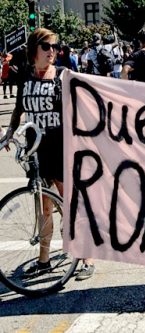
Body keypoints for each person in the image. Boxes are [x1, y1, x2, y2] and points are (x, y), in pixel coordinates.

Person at [0, 28, 95, 280]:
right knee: (43, 208)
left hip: (60, 148)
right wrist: (9, 133)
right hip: (36, 151)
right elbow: (20, 108)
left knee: (69, 206)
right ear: (34, 50)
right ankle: (44, 260)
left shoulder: (63, 75)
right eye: (47, 46)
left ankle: (86, 258)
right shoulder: (26, 77)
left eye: (55, 46)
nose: (52, 51)